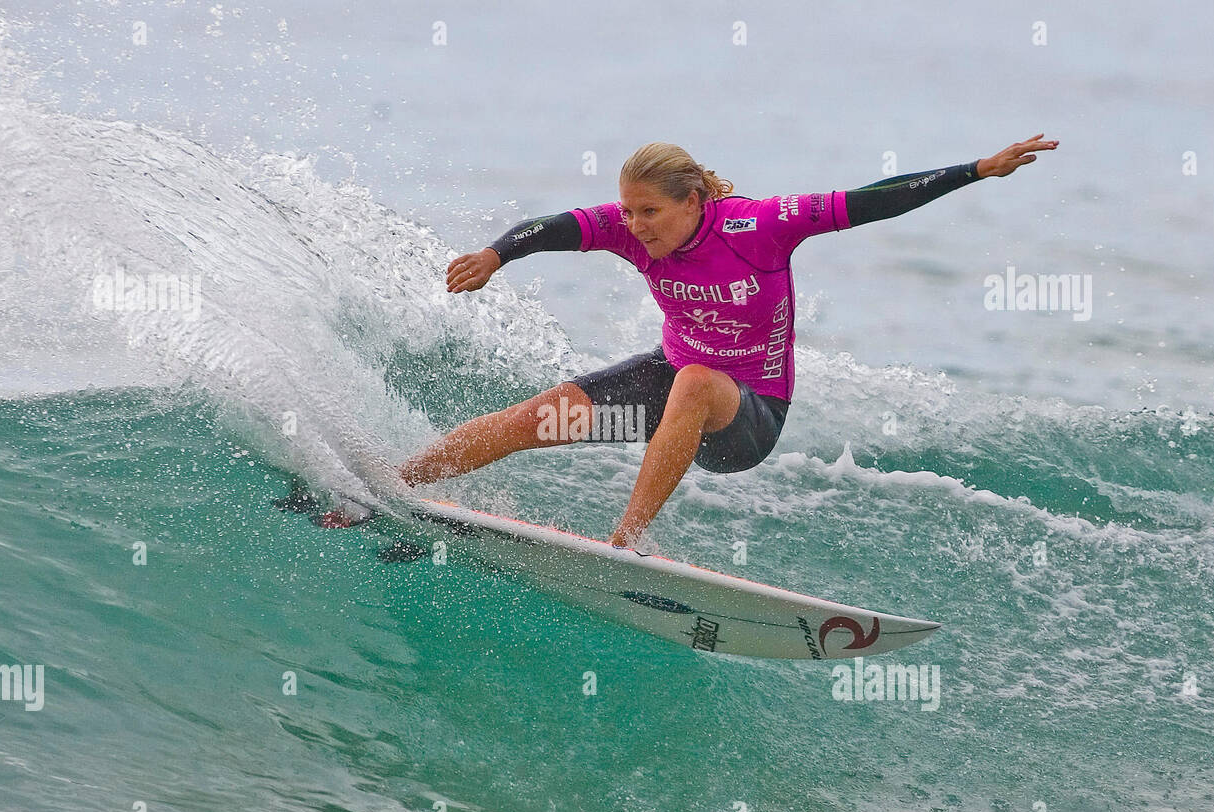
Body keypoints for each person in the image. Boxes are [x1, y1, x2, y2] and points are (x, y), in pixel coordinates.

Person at [384, 135, 1057, 547]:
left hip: (748, 419)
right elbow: (553, 226)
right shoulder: (627, 229)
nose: (635, 225)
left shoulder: (759, 226)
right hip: (667, 392)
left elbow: (872, 198)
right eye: (628, 210)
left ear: (695, 201)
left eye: (650, 211)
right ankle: (389, 485)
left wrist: (975, 169)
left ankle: (628, 542)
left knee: (696, 380)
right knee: (533, 418)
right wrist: (497, 256)